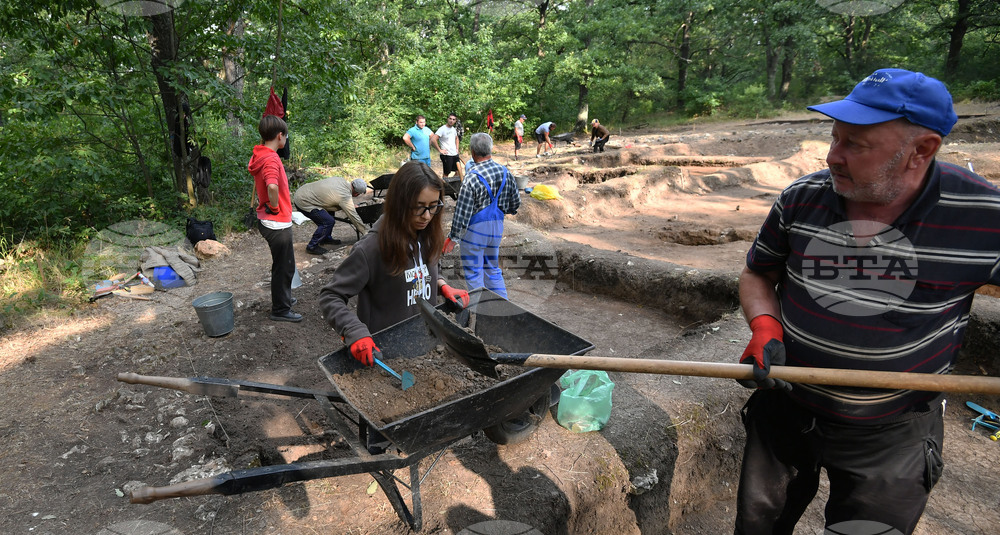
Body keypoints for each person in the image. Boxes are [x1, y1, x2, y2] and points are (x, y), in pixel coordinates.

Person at [734, 68, 996, 535]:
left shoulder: (984, 219)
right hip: (786, 408)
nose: (833, 157)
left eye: (854, 144)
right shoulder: (803, 198)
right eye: (834, 138)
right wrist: (765, 328)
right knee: (759, 526)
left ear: (922, 149)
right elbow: (759, 271)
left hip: (894, 431)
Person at [318, 162, 470, 366]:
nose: (427, 216)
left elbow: (428, 268)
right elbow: (331, 296)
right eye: (419, 207)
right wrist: (354, 330)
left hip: (426, 347)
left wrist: (441, 284)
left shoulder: (427, 234)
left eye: (433, 206)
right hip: (387, 356)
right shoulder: (371, 248)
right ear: (400, 204)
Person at [444, 133, 521, 298]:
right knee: (492, 269)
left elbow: (462, 212)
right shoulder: (505, 172)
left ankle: (478, 313)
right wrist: (504, 210)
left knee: (474, 273)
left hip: (474, 232)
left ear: (472, 152)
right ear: (490, 150)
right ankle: (502, 307)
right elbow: (515, 203)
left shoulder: (471, 177)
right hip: (496, 228)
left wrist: (453, 237)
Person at [248, 114, 301, 322]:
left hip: (270, 221)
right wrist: (274, 205)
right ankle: (280, 309)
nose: (285, 140)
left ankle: (283, 298)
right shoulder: (270, 158)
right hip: (276, 222)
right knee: (283, 266)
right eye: (285, 137)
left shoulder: (259, 154)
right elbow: (271, 185)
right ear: (280, 136)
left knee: (284, 264)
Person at [292, 176, 369, 255]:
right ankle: (312, 246)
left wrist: (350, 206)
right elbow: (353, 216)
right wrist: (365, 232)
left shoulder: (341, 180)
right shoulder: (344, 196)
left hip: (304, 191)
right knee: (328, 222)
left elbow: (334, 199)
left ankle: (325, 238)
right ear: (356, 193)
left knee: (330, 212)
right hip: (304, 201)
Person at [433, 113, 461, 178]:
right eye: (450, 118)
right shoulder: (442, 129)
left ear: (455, 121)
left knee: (458, 172)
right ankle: (444, 187)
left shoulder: (453, 129)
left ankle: (452, 186)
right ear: (447, 119)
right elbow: (433, 140)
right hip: (446, 155)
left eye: (453, 119)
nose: (451, 121)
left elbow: (456, 138)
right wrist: (440, 150)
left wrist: (457, 148)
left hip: (454, 154)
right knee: (446, 173)